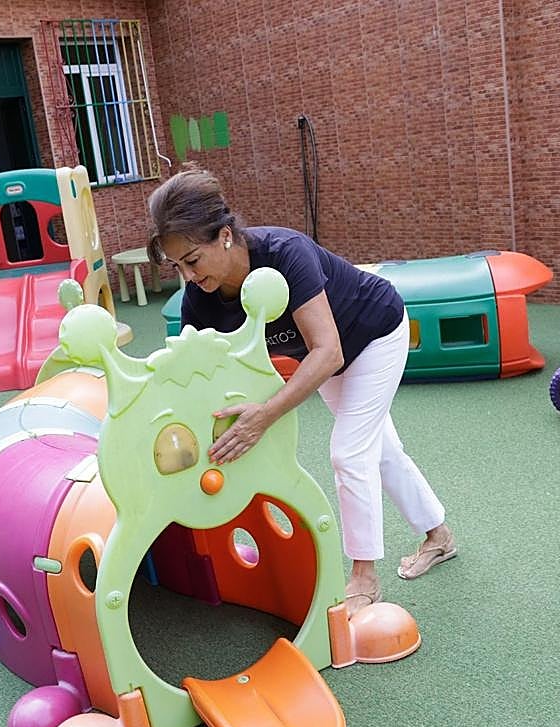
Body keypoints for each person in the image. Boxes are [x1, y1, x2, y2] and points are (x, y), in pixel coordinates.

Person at [146, 165, 456, 614]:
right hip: (322, 356)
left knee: (350, 452)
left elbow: (327, 351)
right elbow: (196, 369)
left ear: (226, 236)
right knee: (380, 450)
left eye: (192, 260)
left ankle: (364, 576)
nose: (188, 276)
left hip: (373, 334)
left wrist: (264, 415)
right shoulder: (202, 297)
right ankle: (438, 536)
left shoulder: (286, 253)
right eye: (178, 266)